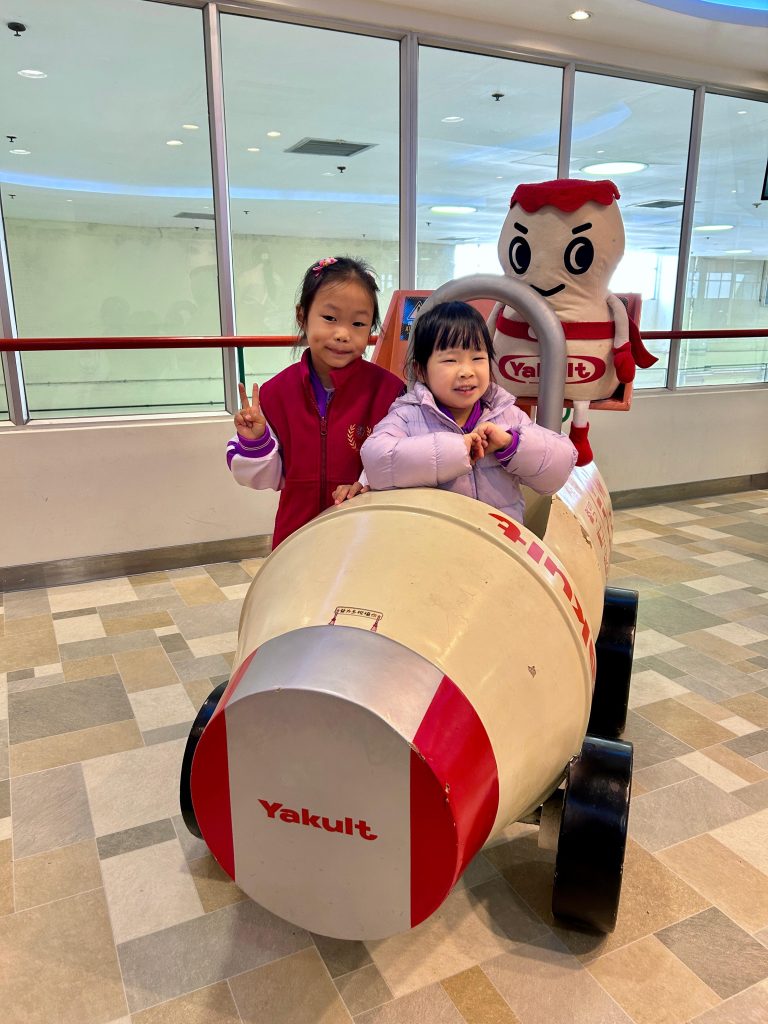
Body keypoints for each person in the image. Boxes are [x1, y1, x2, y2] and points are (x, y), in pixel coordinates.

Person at [227, 256, 404, 548]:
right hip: (296, 538)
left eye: (358, 323)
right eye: (330, 318)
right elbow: (265, 478)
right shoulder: (276, 394)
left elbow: (403, 462)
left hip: (364, 539)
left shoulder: (389, 393)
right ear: (302, 316)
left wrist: (367, 482)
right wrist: (256, 440)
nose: (343, 334)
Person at [360, 301, 576, 524]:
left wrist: (511, 444)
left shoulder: (507, 414)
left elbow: (558, 472)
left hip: (497, 539)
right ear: (421, 370)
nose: (466, 371)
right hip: (433, 539)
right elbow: (376, 462)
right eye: (450, 360)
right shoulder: (407, 415)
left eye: (477, 358)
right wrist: (456, 450)